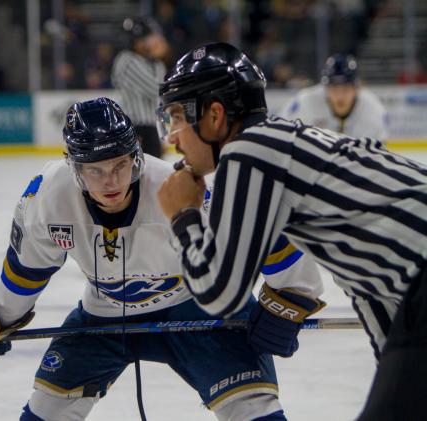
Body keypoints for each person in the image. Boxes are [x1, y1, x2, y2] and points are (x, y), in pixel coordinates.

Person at [0, 97, 323, 420]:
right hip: (103, 315)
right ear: (74, 168)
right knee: (47, 410)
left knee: (254, 409)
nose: (111, 181)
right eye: (95, 170)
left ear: (135, 155)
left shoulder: (177, 186)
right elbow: (26, 270)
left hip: (199, 308)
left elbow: (264, 233)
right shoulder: (50, 198)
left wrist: (290, 298)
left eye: (120, 165)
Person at [157, 42, 427, 421]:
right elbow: (379, 291)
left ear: (215, 114)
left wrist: (182, 215)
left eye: (175, 117)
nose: (171, 136)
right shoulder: (285, 146)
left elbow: (220, 293)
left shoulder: (250, 151)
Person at [279, 53, 388, 140]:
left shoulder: (372, 109)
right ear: (325, 88)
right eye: (334, 88)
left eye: (345, 88)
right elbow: (283, 136)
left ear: (356, 88)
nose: (340, 96)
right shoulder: (305, 102)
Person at [111, 17, 169, 158]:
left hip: (152, 129)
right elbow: (156, 90)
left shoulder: (156, 64)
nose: (150, 42)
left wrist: (163, 134)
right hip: (136, 128)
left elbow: (161, 102)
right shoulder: (126, 59)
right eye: (145, 39)